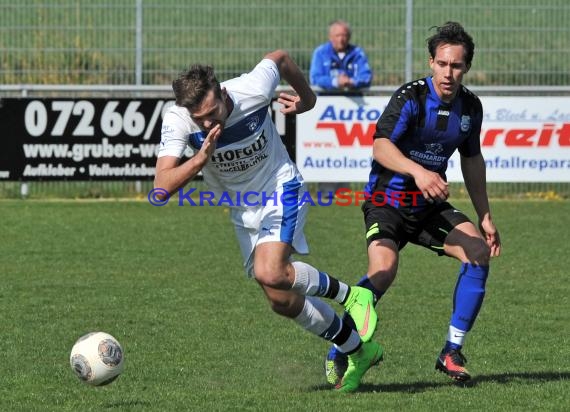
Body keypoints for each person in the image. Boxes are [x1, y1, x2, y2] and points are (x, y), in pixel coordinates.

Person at [154, 49, 382, 392]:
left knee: (270, 272)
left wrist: (307, 100)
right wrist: (200, 158)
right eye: (198, 118)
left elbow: (281, 58)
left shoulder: (252, 88)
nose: (207, 123)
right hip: (243, 210)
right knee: (280, 299)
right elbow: (161, 188)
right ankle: (357, 350)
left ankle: (352, 295)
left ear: (223, 92)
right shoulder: (178, 120)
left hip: (281, 188)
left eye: (212, 112)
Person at [324, 22, 501, 385]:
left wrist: (485, 215)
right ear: (431, 62)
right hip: (387, 200)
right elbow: (381, 146)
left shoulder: (470, 107)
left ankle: (451, 351)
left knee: (478, 253)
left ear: (465, 67)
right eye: (441, 63)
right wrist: (419, 172)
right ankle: (340, 348)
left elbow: (472, 159)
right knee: (383, 272)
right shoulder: (411, 97)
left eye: (456, 65)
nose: (448, 72)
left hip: (428, 205)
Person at [309, 19, 372, 91]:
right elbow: (315, 78)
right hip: (326, 97)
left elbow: (366, 76)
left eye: (344, 35)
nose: (341, 39)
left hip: (354, 96)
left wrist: (351, 82)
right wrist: (335, 82)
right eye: (337, 35)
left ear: (349, 36)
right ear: (330, 37)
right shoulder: (320, 53)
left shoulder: (357, 53)